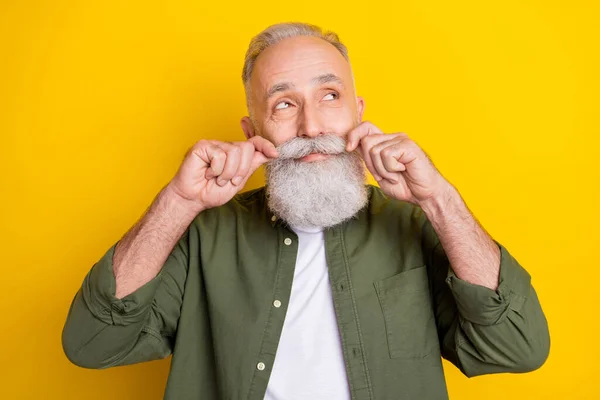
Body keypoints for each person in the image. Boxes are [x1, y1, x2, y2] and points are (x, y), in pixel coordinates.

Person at [62, 22, 550, 400]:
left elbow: (517, 348)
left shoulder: (416, 223)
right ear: (252, 127)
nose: (312, 124)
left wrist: (440, 199)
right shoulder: (202, 234)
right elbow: (92, 344)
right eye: (283, 105)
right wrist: (179, 202)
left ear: (358, 112)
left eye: (329, 96)